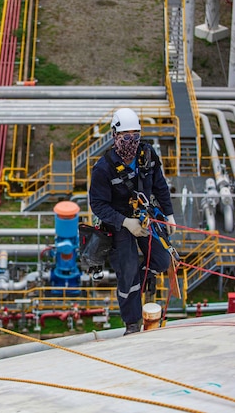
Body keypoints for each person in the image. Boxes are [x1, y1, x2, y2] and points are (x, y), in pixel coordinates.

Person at [88, 108, 176, 336]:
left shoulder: (147, 155)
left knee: (162, 259)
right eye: (126, 137)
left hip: (146, 217)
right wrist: (126, 222)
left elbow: (160, 185)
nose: (131, 142)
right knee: (127, 274)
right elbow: (97, 205)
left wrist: (169, 214)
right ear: (114, 136)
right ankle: (132, 323)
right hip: (120, 224)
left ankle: (145, 277)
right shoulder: (104, 168)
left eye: (135, 136)